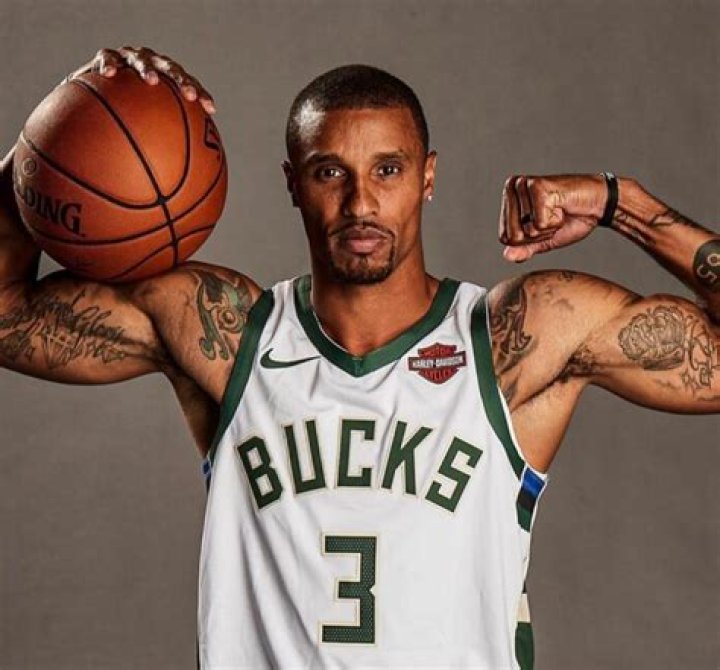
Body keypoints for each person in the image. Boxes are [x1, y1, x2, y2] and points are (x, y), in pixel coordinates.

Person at [0, 47, 717, 669]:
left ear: (428, 177)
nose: (361, 202)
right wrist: (56, 133)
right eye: (329, 173)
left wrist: (623, 204)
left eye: (389, 169)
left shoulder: (513, 341)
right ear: (292, 183)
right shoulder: (226, 335)